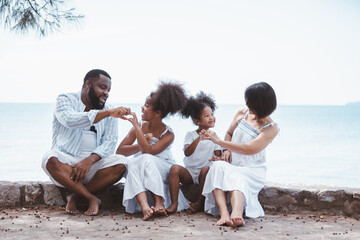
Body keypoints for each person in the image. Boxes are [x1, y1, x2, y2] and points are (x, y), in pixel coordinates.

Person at [41, 69, 130, 216]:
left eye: (108, 90)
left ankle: (75, 196)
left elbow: (110, 142)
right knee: (49, 158)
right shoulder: (65, 99)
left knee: (122, 163)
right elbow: (70, 120)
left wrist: (89, 160)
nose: (106, 93)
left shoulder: (109, 110)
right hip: (68, 166)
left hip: (93, 167)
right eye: (102, 87)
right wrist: (107, 113)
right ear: (87, 84)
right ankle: (91, 198)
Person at [202, 82, 279, 228]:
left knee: (237, 178)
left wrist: (219, 142)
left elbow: (249, 149)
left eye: (250, 101)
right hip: (234, 165)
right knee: (217, 166)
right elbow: (229, 133)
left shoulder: (271, 128)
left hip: (252, 170)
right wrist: (226, 150)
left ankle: (236, 215)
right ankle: (224, 213)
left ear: (261, 104)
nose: (247, 103)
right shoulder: (242, 113)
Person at [116, 81, 189, 220]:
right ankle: (144, 206)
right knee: (131, 164)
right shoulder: (140, 127)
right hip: (142, 167)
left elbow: (148, 152)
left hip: (163, 169)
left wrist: (138, 129)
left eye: (147, 106)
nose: (142, 108)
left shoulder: (168, 134)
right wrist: (139, 136)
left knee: (146, 159)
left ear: (157, 113)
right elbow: (120, 151)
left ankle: (159, 201)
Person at [166, 91, 222, 213]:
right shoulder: (190, 135)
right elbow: (187, 152)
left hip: (205, 173)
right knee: (174, 169)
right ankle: (174, 203)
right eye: (206, 116)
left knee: (206, 169)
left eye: (212, 114)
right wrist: (198, 139)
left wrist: (217, 158)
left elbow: (218, 156)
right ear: (197, 121)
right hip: (190, 174)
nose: (211, 117)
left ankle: (200, 202)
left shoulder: (215, 137)